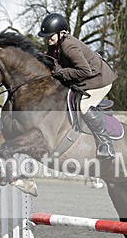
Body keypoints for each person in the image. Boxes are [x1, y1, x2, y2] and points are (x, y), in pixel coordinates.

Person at [38, 12, 117, 159]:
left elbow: (84, 70)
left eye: (51, 36)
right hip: (85, 78)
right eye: (46, 36)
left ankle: (106, 144)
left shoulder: (69, 46)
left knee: (83, 106)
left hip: (99, 80)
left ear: (61, 33)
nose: (48, 39)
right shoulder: (55, 44)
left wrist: (60, 73)